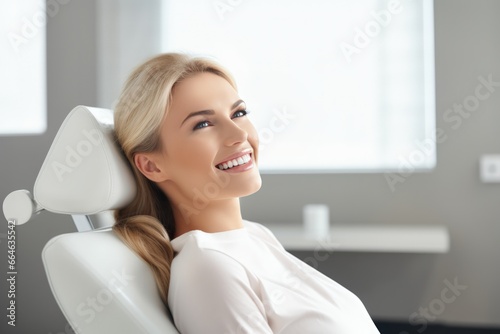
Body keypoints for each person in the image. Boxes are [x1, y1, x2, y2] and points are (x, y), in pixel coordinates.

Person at [112, 53, 380, 333]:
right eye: (203, 124)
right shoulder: (207, 269)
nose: (238, 134)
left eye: (238, 113)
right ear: (152, 166)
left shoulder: (254, 236)